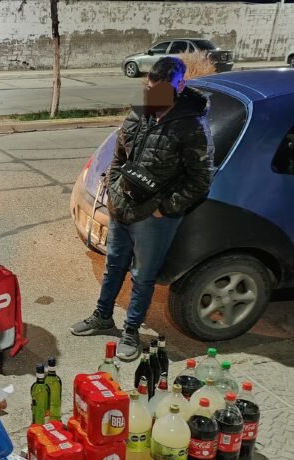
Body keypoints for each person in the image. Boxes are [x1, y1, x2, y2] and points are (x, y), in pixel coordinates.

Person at [71, 57, 214, 361]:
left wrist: (165, 209)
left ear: (180, 85)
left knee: (143, 276)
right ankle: (102, 316)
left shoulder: (192, 124)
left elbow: (200, 180)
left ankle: (131, 330)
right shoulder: (139, 111)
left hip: (155, 218)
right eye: (150, 88)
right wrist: (113, 192)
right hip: (122, 206)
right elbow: (118, 156)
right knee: (113, 265)